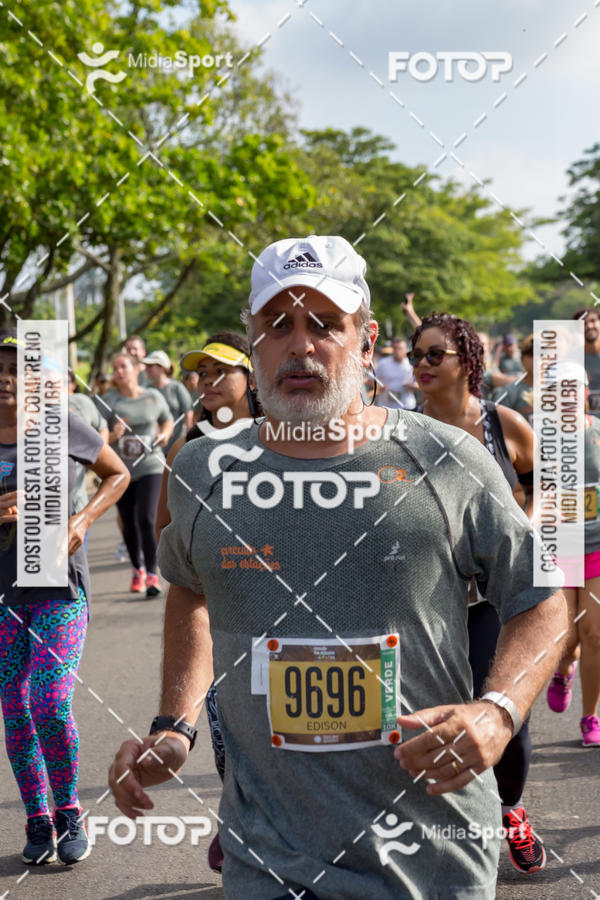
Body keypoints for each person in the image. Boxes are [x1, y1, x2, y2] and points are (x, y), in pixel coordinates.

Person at [109, 235, 566, 900]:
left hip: (429, 860)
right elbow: (189, 587)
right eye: (277, 325)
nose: (299, 345)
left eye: (325, 324)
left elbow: (542, 596)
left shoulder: (447, 460)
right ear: (254, 340)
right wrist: (174, 727)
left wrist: (497, 712)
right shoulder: (205, 470)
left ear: (367, 339)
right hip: (266, 859)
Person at [408, 314, 543, 873]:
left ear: (468, 360)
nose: (420, 364)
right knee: (420, 722)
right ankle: (432, 834)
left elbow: (547, 490)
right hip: (423, 602)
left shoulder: (504, 424)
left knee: (506, 716)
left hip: (491, 601)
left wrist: (520, 529)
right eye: (416, 354)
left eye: (434, 354)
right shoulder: (400, 431)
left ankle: (509, 807)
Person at [0, 329, 129, 865]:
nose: (5, 381)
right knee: (14, 706)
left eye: (16, 371)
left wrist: (81, 519)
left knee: (48, 700)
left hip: (58, 586)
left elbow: (117, 473)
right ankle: (37, 817)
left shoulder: (58, 426)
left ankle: (69, 809)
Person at [154, 331, 259, 874]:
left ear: (250, 377)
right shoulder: (189, 447)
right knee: (227, 732)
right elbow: (166, 531)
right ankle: (236, 817)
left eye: (221, 371)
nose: (208, 382)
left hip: (283, 615)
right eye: (201, 374)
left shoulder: (285, 438)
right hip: (219, 616)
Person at [546, 367, 600, 746]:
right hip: (559, 547)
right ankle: (563, 669)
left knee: (595, 634)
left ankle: (590, 717)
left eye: (573, 389)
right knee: (565, 638)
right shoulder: (541, 440)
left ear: (584, 392)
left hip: (597, 545)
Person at [104, 351, 173, 598]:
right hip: (121, 471)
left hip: (151, 465)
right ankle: (137, 569)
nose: (118, 372)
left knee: (146, 518)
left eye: (123, 366)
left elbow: (168, 421)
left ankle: (152, 575)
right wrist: (113, 435)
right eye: (115, 368)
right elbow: (99, 438)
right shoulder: (108, 400)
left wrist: (164, 435)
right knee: (128, 522)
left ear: (136, 369)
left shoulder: (152, 397)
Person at [142, 350, 193, 454]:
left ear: (161, 368)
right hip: (154, 446)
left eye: (150, 366)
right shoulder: (146, 390)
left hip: (177, 445)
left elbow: (188, 414)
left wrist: (189, 441)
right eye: (146, 365)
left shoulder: (177, 387)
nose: (146, 369)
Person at [375, 337, 417, 409]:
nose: (397, 351)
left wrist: (412, 386)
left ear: (406, 350)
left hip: (406, 407)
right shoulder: (383, 363)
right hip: (386, 407)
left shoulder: (412, 364)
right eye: (395, 348)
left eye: (400, 348)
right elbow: (371, 380)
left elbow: (420, 386)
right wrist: (378, 386)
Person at [499, 335, 534, 423]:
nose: (536, 359)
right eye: (531, 354)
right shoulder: (509, 392)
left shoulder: (557, 390)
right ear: (522, 359)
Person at [573, 308, 600, 416]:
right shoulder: (571, 361)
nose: (589, 326)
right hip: (586, 425)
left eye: (593, 321)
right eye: (583, 323)